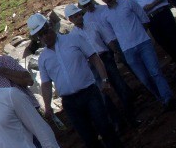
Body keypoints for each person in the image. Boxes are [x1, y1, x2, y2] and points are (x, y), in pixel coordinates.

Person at [31, 12, 123, 148]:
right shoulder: (43, 58)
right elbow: (46, 83)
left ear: (50, 26)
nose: (45, 37)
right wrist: (48, 105)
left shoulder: (74, 39)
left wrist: (104, 79)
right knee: (88, 138)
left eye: (45, 32)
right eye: (40, 35)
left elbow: (94, 58)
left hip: (89, 93)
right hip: (69, 102)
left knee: (105, 128)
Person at [92, 0, 176, 111]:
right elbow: (111, 37)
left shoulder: (128, 2)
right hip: (127, 50)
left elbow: (144, 19)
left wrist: (140, 35)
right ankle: (161, 98)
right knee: (144, 78)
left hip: (143, 43)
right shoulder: (104, 16)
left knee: (155, 72)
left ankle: (167, 98)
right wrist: (118, 52)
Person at [65, 2, 136, 128]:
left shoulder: (94, 25)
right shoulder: (72, 37)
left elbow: (108, 40)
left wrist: (116, 52)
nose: (78, 17)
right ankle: (117, 122)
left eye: (78, 14)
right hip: (92, 65)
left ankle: (131, 115)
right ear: (70, 20)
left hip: (105, 58)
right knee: (104, 95)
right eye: (74, 16)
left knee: (120, 86)